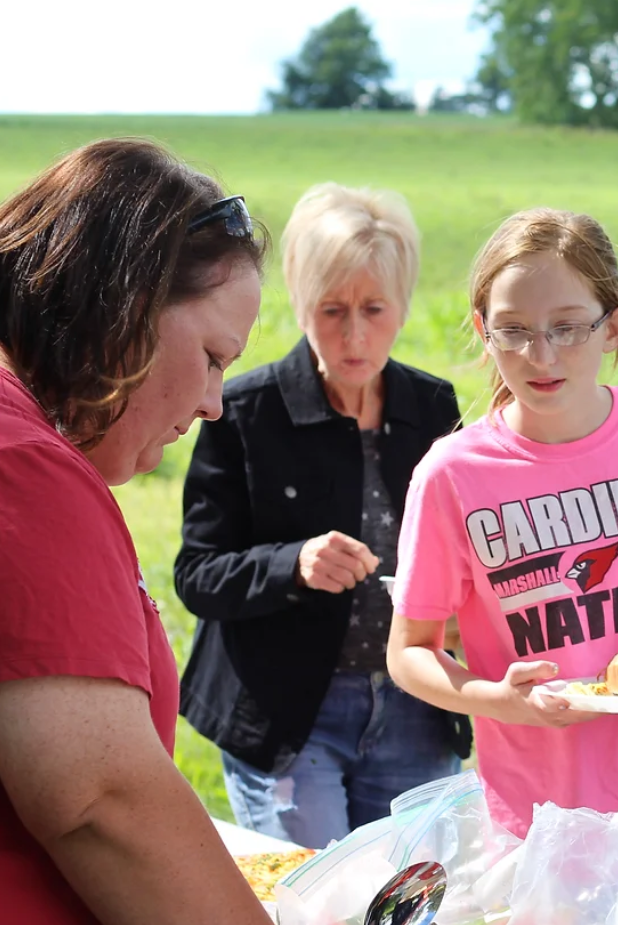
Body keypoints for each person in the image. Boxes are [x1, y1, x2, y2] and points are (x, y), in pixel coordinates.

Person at [385, 208, 618, 923]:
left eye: (567, 327)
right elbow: (410, 652)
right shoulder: (452, 475)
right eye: (514, 330)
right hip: (545, 836)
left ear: (614, 326)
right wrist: (498, 698)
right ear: (481, 329)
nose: (540, 354)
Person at [0, 139, 272, 924]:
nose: (216, 401)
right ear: (123, 306)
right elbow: (99, 797)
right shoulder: (27, 467)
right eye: (214, 356)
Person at [173, 183, 469, 849]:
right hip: (290, 714)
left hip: (415, 701)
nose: (355, 335)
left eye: (374, 308)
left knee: (408, 903)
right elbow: (197, 574)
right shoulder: (245, 411)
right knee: (322, 902)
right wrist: (293, 563)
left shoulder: (431, 407)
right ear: (300, 303)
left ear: (404, 305)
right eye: (332, 310)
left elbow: (472, 548)